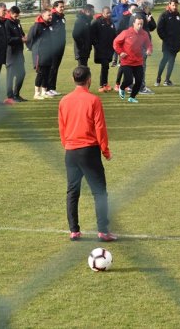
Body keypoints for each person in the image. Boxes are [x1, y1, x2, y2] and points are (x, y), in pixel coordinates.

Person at [58, 65, 117, 242]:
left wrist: (67, 145)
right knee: (99, 192)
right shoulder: (93, 100)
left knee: (72, 191)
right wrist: (105, 150)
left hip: (70, 151)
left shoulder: (64, 101)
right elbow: (100, 127)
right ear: (89, 79)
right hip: (89, 151)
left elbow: (62, 127)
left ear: (73, 80)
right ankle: (103, 231)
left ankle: (74, 231)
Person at [113, 15, 153, 104]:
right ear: (133, 23)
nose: (140, 26)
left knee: (139, 81)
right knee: (129, 80)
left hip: (138, 61)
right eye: (138, 24)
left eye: (141, 24)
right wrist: (120, 52)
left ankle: (132, 97)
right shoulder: (126, 33)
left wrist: (149, 50)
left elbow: (149, 44)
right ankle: (122, 87)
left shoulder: (144, 34)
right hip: (127, 61)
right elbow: (116, 42)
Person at [155, 0, 180, 86]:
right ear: (169, 5)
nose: (175, 7)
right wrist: (164, 38)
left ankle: (167, 80)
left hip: (176, 43)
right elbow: (159, 28)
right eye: (173, 5)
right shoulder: (164, 15)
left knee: (172, 61)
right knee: (164, 59)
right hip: (167, 43)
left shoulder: (179, 16)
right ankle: (158, 78)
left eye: (176, 5)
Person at [26, 8, 56, 100]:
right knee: (41, 73)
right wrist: (31, 48)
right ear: (43, 16)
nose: (51, 17)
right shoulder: (37, 26)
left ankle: (44, 92)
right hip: (40, 54)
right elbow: (30, 38)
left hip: (48, 54)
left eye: (51, 15)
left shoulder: (49, 25)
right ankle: (36, 93)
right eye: (49, 15)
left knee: (47, 73)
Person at [90, 6, 116, 93]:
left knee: (106, 66)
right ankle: (102, 85)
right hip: (101, 49)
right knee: (105, 65)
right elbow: (92, 35)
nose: (109, 14)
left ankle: (105, 84)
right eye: (107, 13)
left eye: (110, 13)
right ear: (103, 13)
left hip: (109, 48)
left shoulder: (111, 22)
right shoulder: (97, 22)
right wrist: (96, 45)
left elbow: (114, 33)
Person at [5, 5, 28, 103]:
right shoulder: (6, 23)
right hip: (10, 53)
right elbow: (7, 39)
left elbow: (21, 33)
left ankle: (16, 94)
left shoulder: (17, 22)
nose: (17, 18)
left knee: (21, 74)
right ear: (10, 14)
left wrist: (24, 36)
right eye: (15, 16)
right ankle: (10, 96)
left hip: (19, 53)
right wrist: (20, 39)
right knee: (10, 76)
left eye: (18, 16)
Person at [135, 0, 157, 94]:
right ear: (145, 8)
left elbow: (153, 26)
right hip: (140, 46)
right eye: (148, 8)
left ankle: (134, 86)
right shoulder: (141, 17)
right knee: (141, 67)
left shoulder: (137, 14)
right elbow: (141, 32)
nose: (149, 10)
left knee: (137, 66)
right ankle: (141, 87)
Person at [47, 0, 67, 96]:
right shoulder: (52, 16)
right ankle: (48, 88)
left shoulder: (62, 16)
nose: (62, 8)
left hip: (61, 45)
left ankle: (52, 88)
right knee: (52, 67)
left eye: (63, 6)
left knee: (56, 67)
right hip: (53, 46)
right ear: (55, 7)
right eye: (61, 7)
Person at [110, 0, 130, 66]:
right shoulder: (116, 8)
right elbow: (112, 17)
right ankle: (114, 61)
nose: (127, 0)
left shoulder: (129, 8)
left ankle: (121, 61)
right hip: (117, 29)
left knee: (125, 45)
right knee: (116, 43)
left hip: (126, 30)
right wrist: (118, 20)